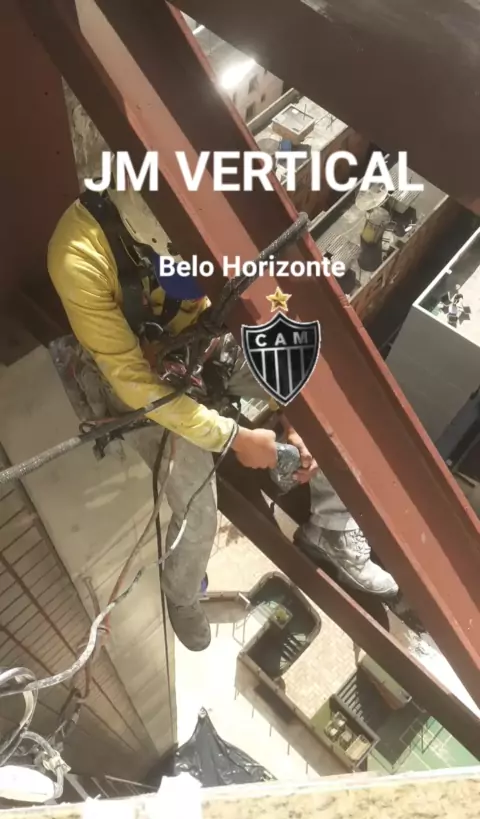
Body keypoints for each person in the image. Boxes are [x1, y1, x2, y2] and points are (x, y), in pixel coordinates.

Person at [47, 178, 398, 652]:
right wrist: (233, 437)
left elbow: (248, 303)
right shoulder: (78, 256)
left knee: (324, 390)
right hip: (143, 377)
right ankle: (181, 595)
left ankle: (332, 529)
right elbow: (131, 381)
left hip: (202, 338)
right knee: (198, 515)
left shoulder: (203, 198)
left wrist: (295, 413)